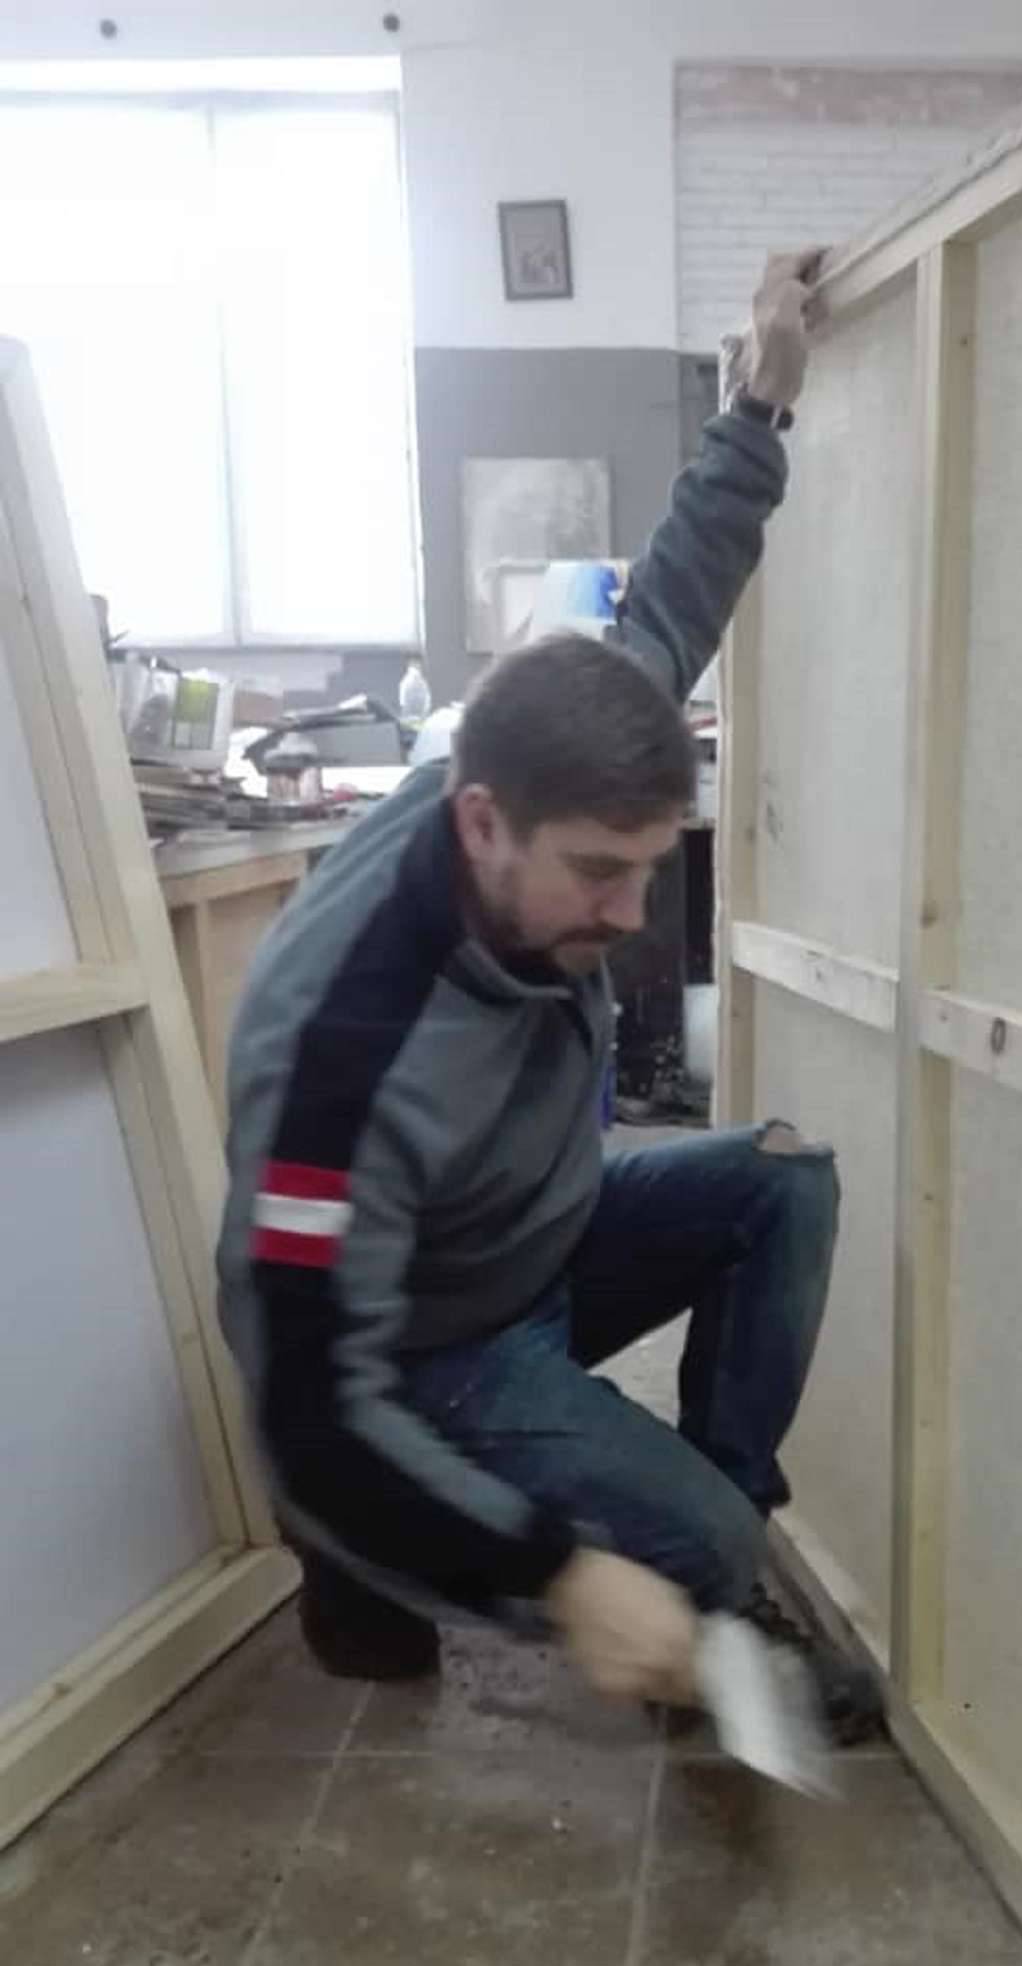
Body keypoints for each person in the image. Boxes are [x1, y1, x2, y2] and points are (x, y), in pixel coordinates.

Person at [216, 254, 878, 1738]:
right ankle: (436, 1558)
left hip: (539, 1236)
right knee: (623, 1543)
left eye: (650, 868)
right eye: (598, 873)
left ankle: (706, 1555)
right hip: (418, 1351)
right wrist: (561, 1575)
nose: (634, 916)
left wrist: (760, 401)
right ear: (481, 825)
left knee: (783, 1181)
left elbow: (674, 600)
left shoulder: (549, 758)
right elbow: (305, 1401)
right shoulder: (339, 1046)